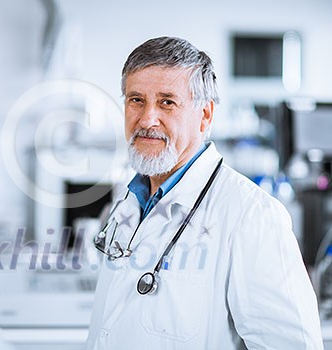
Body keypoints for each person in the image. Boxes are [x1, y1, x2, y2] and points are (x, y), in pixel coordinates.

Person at [87, 36, 323, 349]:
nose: (147, 119)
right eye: (136, 100)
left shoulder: (251, 216)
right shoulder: (129, 201)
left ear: (205, 115)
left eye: (167, 102)